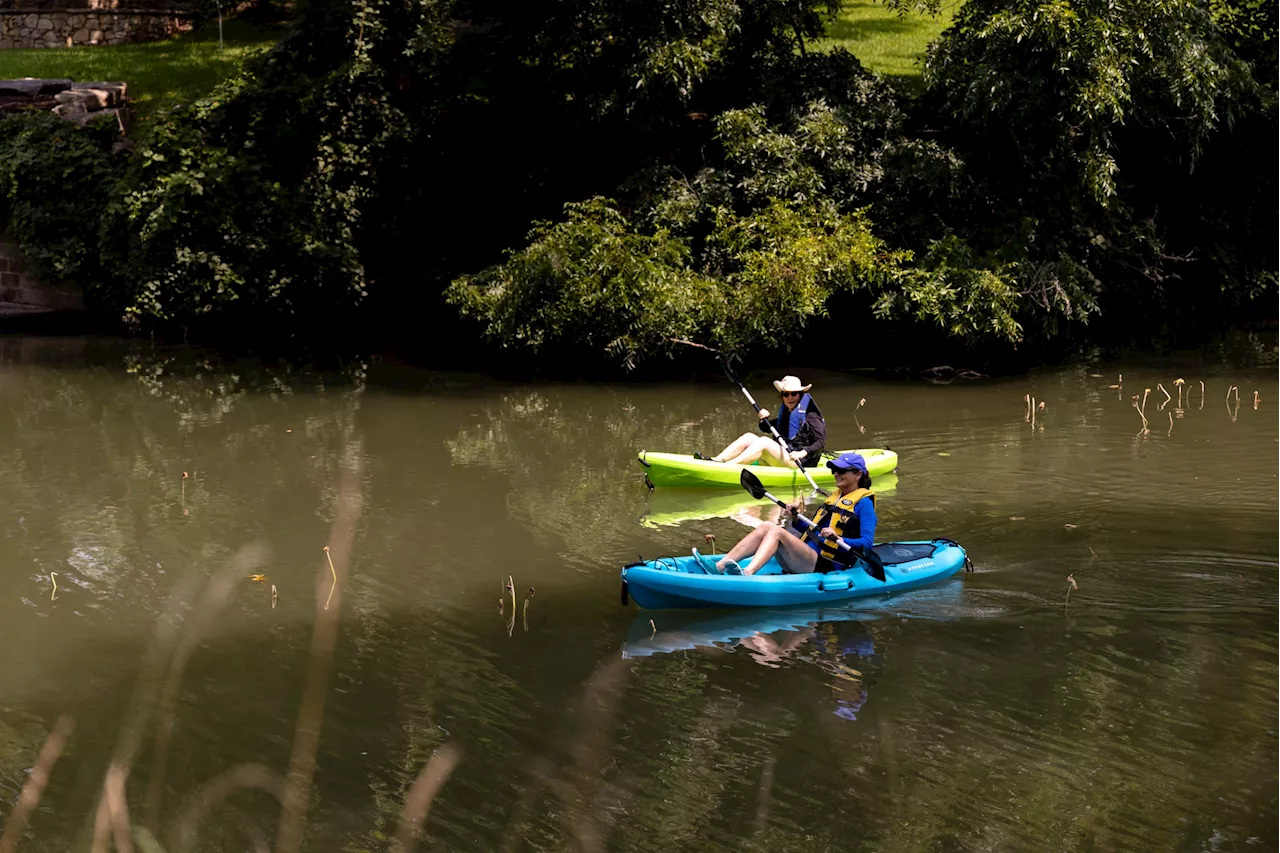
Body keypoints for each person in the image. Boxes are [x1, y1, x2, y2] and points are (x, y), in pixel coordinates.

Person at [696, 452, 876, 576]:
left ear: (858, 474)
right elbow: (813, 530)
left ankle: (747, 573)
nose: (836, 474)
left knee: (776, 531)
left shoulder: (864, 504)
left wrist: (840, 539)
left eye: (842, 471)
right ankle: (719, 566)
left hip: (827, 564)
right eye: (835, 470)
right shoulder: (835, 498)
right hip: (807, 556)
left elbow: (867, 543)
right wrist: (796, 518)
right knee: (767, 526)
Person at [707, 375, 826, 469]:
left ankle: (730, 466)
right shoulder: (788, 414)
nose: (790, 398)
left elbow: (820, 442)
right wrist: (763, 419)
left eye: (794, 394)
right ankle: (717, 460)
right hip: (786, 454)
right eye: (786, 394)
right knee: (749, 436)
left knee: (764, 441)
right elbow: (765, 428)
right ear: (782, 396)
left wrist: (803, 453)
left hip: (801, 462)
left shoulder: (811, 416)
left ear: (800, 395)